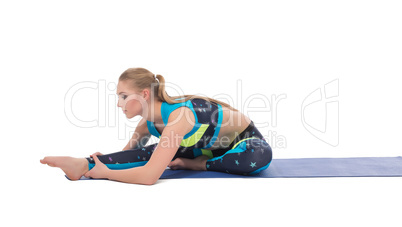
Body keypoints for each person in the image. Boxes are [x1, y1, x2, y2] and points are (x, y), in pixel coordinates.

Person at [40, 68, 272, 185]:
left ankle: (200, 165)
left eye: (123, 96)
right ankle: (80, 164)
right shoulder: (146, 125)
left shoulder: (178, 119)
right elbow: (130, 156)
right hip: (201, 146)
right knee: (150, 152)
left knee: (260, 156)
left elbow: (150, 176)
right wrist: (103, 162)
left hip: (241, 143)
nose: (118, 103)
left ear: (143, 94)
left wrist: (108, 173)